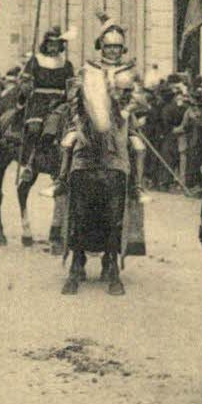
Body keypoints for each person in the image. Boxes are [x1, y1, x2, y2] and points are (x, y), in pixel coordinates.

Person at [58, 25, 144, 295]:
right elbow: (74, 100)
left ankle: (137, 186)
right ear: (101, 47)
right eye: (108, 47)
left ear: (122, 49)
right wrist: (78, 122)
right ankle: (62, 178)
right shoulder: (88, 70)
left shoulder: (129, 71)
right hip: (87, 127)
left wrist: (125, 106)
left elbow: (138, 100)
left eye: (117, 47)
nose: (113, 51)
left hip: (119, 129)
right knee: (68, 142)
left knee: (138, 146)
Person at [18, 26, 76, 187]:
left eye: (56, 44)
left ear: (61, 46)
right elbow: (25, 80)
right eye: (50, 44)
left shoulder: (66, 64)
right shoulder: (35, 61)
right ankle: (30, 163)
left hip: (60, 102)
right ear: (45, 44)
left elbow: (71, 85)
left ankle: (64, 168)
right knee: (35, 129)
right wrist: (26, 84)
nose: (53, 47)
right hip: (39, 100)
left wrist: (70, 97)